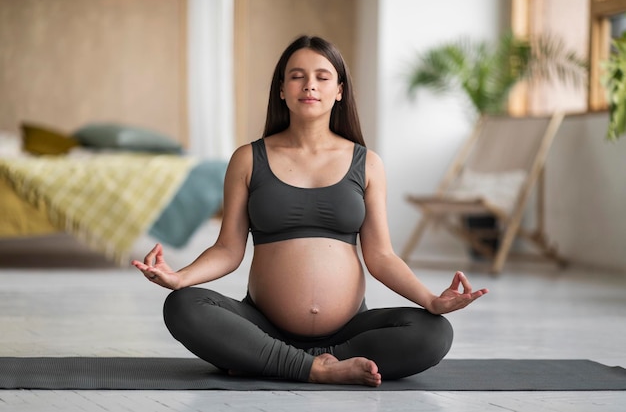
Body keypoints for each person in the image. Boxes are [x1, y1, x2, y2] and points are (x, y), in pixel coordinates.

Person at [132, 35, 488, 387]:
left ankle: (268, 360)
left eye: (322, 76)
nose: (309, 85)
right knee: (182, 306)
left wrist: (430, 299)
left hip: (348, 333)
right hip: (263, 325)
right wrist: (180, 278)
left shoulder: (367, 164)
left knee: (434, 332)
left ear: (339, 91)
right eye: (297, 75)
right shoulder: (247, 159)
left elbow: (380, 255)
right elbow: (228, 250)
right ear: (282, 90)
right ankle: (317, 369)